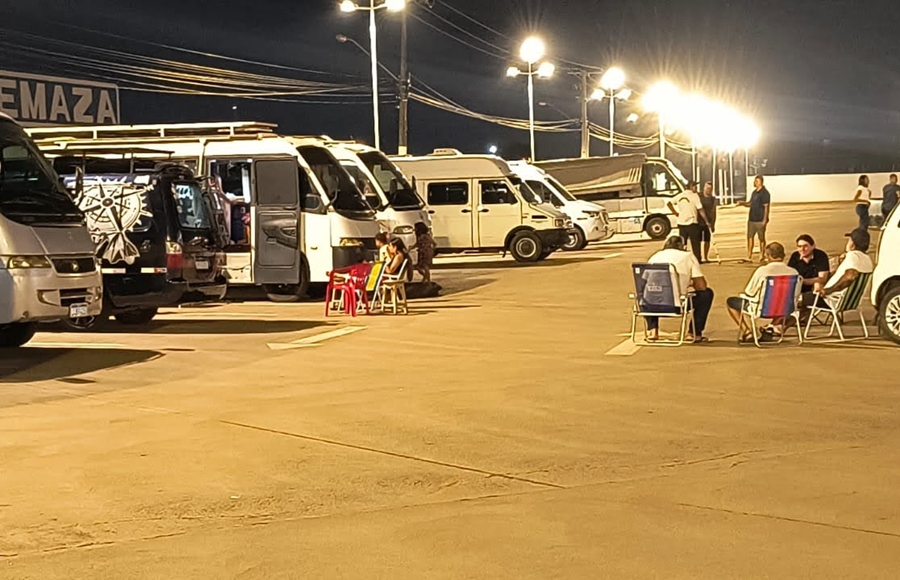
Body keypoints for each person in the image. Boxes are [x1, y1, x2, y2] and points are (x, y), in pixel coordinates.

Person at [645, 236, 715, 343]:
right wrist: (689, 282)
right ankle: (694, 333)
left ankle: (652, 329)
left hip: (649, 306)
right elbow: (701, 286)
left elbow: (645, 282)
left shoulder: (655, 257)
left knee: (652, 292)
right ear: (681, 246)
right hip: (675, 304)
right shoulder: (687, 256)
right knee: (707, 294)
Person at [726, 242, 799, 341]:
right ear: (783, 255)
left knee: (731, 302)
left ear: (768, 256)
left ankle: (747, 331)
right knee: (785, 305)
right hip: (785, 309)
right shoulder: (793, 272)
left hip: (763, 309)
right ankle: (771, 327)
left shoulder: (763, 271)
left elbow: (750, 292)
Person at [800, 228, 874, 311]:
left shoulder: (852, 256)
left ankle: (793, 321)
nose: (847, 243)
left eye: (849, 241)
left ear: (853, 245)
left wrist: (828, 290)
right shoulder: (868, 260)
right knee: (815, 286)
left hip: (830, 300)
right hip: (849, 302)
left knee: (797, 298)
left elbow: (850, 276)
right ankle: (803, 320)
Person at [666, 181, 709, 262]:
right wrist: (706, 220)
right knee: (695, 242)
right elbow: (700, 209)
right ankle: (697, 259)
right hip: (692, 222)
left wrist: (676, 213)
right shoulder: (694, 196)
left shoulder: (680, 195)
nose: (696, 188)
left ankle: (681, 259)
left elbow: (669, 203)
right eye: (695, 186)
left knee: (682, 242)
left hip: (681, 222)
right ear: (691, 187)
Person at [739, 175, 771, 262]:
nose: (755, 183)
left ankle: (762, 255)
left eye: (757, 181)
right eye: (755, 181)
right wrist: (742, 203)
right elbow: (750, 204)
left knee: (761, 238)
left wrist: (765, 219)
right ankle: (749, 255)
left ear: (761, 182)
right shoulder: (754, 193)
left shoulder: (765, 193)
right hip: (752, 219)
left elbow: (766, 207)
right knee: (750, 237)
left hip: (760, 219)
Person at [699, 181, 717, 263]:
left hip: (708, 222)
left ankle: (705, 257)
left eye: (710, 188)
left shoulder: (713, 199)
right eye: (707, 188)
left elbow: (714, 212)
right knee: (698, 241)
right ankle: (698, 257)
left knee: (707, 240)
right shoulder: (699, 196)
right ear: (704, 188)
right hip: (699, 221)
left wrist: (713, 224)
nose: (708, 190)